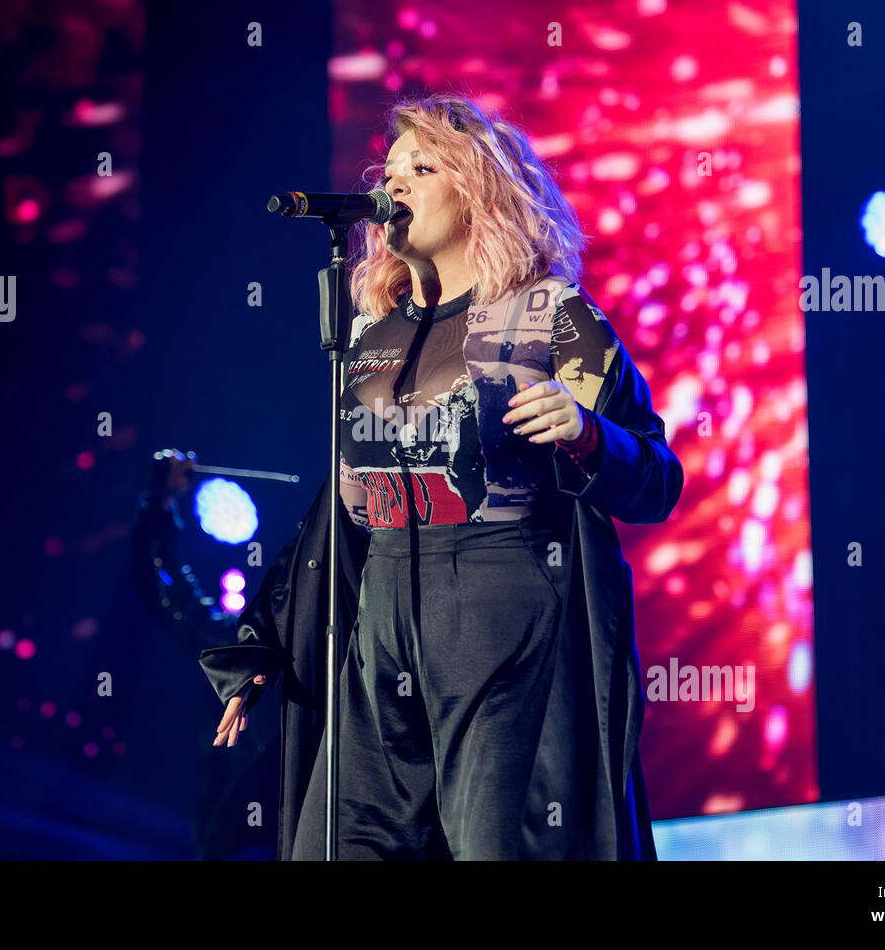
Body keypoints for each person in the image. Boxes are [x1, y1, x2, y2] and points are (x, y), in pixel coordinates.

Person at [199, 92, 683, 860]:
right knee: (337, 844)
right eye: (391, 171)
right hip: (383, 619)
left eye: (423, 168)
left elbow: (658, 478)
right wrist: (264, 642)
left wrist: (591, 435)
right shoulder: (372, 335)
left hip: (505, 614)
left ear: (481, 189)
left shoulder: (551, 316)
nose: (396, 185)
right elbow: (339, 514)